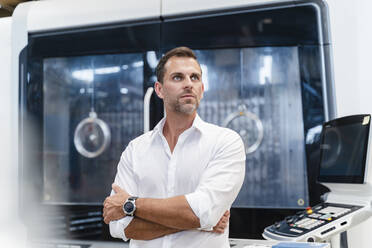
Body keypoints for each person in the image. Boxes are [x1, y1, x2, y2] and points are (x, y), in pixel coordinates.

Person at [103, 46, 246, 247]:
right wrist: (200, 222)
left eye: (194, 78)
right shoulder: (136, 150)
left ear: (202, 90)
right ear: (159, 90)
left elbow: (202, 212)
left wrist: (131, 204)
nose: (188, 84)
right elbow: (119, 227)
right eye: (178, 77)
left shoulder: (225, 142)